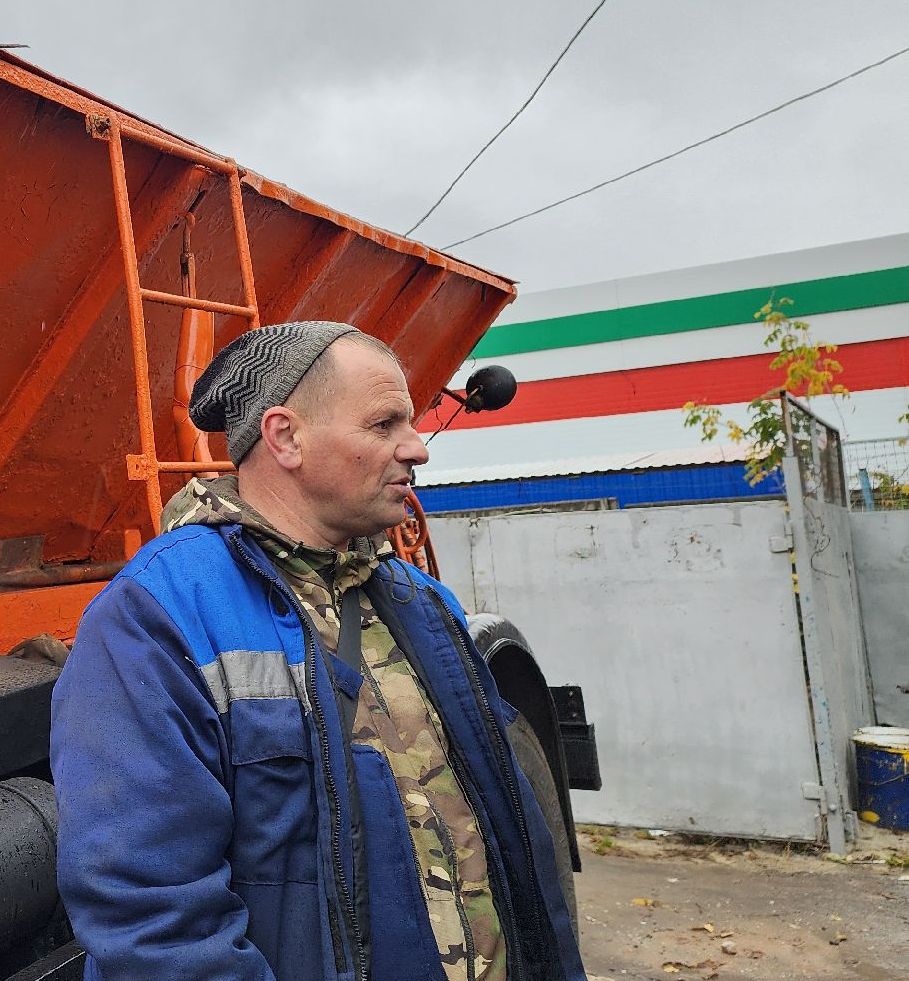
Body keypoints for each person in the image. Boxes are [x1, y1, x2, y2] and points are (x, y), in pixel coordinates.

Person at [50, 321, 586, 981]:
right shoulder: (158, 614)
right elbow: (155, 922)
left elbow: (518, 844)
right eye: (384, 424)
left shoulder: (425, 603)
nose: (417, 448)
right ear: (285, 438)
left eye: (411, 424)